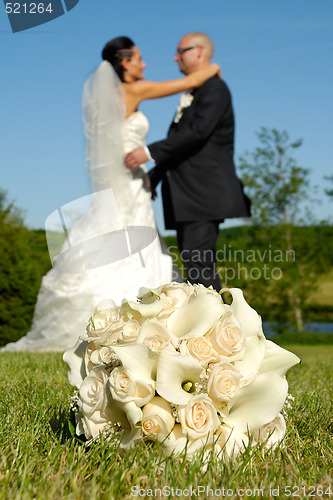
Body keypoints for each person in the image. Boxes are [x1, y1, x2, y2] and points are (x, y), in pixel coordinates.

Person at [2, 36, 220, 352]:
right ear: (125, 63)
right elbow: (193, 79)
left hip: (128, 183)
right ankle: (132, 325)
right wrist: (213, 64)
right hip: (129, 185)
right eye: (140, 58)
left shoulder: (109, 99)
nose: (145, 64)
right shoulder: (132, 90)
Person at [125, 33, 251, 292]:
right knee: (193, 265)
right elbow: (181, 143)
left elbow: (197, 133)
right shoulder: (197, 91)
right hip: (188, 196)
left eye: (181, 51)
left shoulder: (215, 89)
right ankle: (207, 327)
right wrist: (155, 176)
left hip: (203, 193)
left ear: (200, 52)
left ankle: (218, 328)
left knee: (198, 264)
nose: (175, 57)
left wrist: (148, 152)